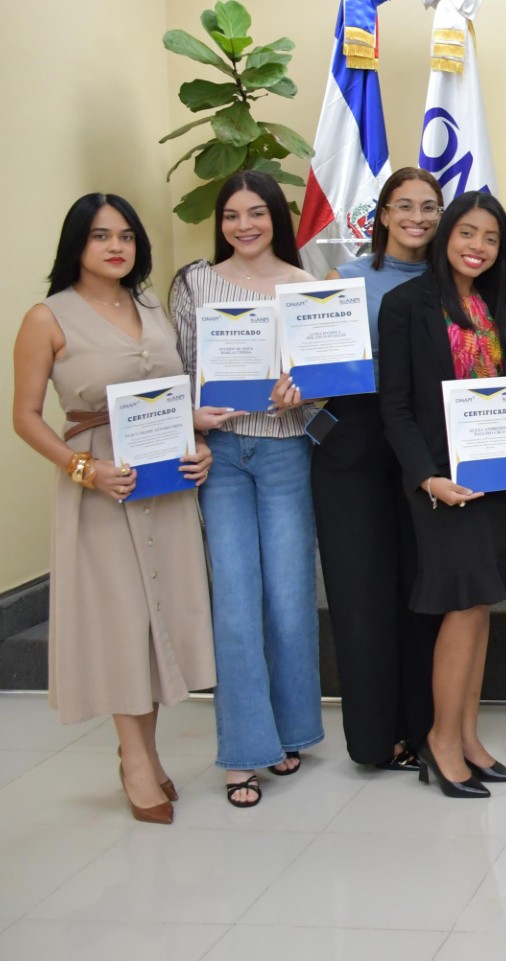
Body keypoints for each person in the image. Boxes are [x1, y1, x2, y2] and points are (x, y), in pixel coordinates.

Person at [11, 194, 218, 824]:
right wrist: (85, 470)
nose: (116, 247)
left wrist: (198, 445)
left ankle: (144, 754)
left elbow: (175, 394)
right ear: (77, 243)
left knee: (157, 619)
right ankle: (135, 761)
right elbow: (25, 416)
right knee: (123, 620)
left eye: (126, 236)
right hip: (101, 482)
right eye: (101, 235)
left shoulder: (150, 306)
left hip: (164, 480)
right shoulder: (48, 317)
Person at [169, 172, 323, 807]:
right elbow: (178, 369)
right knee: (235, 603)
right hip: (223, 456)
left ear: (275, 217)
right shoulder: (194, 283)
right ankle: (242, 753)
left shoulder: (307, 286)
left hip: (286, 453)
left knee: (290, 600)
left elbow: (327, 388)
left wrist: (303, 393)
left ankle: (289, 731)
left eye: (256, 213)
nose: (244, 226)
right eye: (231, 216)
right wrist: (191, 420)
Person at [379, 192, 506, 797]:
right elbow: (395, 406)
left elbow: (504, 391)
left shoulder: (496, 304)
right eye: (467, 232)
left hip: (494, 477)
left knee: (482, 604)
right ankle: (440, 743)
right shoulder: (405, 304)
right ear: (445, 235)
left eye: (490, 238)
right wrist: (426, 477)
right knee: (463, 608)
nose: (478, 246)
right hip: (443, 482)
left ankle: (467, 737)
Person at [315, 167, 442, 773]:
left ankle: (426, 729)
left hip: (426, 445)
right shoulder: (342, 283)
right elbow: (317, 369)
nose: (418, 217)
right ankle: (374, 738)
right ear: (383, 215)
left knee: (423, 589)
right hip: (354, 446)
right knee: (362, 593)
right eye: (405, 206)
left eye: (429, 207)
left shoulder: (452, 283)